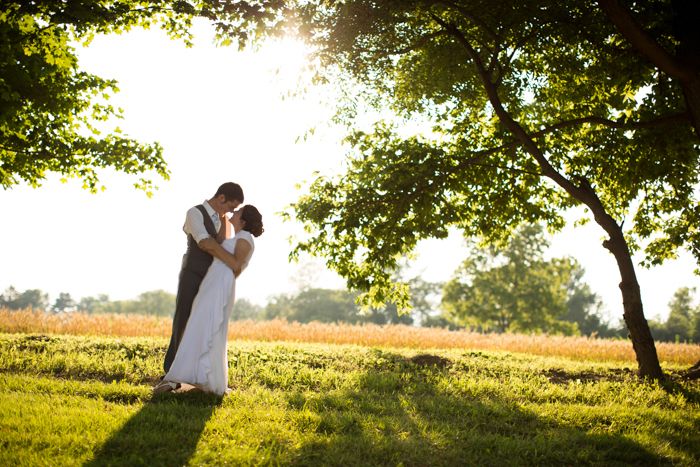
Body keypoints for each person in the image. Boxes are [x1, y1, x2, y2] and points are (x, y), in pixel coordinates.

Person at [155, 205, 264, 395]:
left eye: (237, 213)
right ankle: (193, 376)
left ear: (243, 221)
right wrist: (222, 220)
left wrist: (213, 249)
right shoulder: (237, 236)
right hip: (212, 285)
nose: (233, 212)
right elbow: (222, 241)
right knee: (200, 330)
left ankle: (185, 377)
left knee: (207, 331)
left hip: (220, 289)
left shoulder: (246, 239)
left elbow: (236, 266)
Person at [163, 182, 244, 374]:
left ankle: (198, 371)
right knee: (183, 320)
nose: (231, 211)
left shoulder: (222, 219)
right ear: (221, 198)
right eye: (231, 206)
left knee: (207, 323)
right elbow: (205, 243)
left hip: (211, 277)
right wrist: (233, 262)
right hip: (192, 273)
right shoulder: (194, 213)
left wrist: (227, 222)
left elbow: (222, 244)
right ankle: (171, 371)